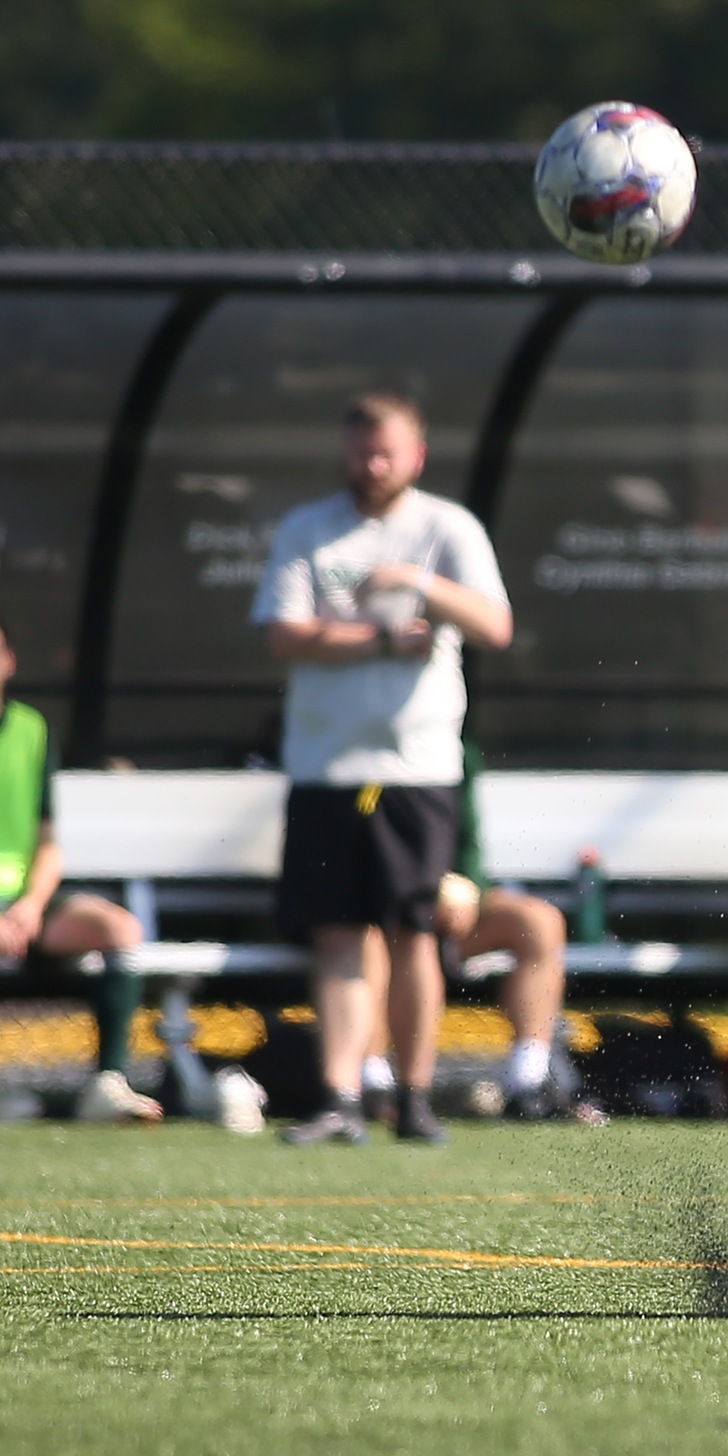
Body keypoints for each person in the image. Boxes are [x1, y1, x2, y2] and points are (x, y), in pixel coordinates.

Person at [252, 391, 512, 1146]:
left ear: (417, 454)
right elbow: (283, 635)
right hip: (325, 764)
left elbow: (495, 624)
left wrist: (419, 581)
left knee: (414, 933)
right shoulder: (309, 527)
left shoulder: (447, 528)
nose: (372, 464)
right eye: (361, 450)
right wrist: (375, 640)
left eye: (387, 451)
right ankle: (340, 1097)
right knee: (337, 935)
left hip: (418, 769)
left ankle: (417, 1094)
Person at [359, 739, 573, 1122]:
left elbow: (467, 839)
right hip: (380, 908)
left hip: (441, 907)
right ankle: (372, 1081)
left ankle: (527, 1079)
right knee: (367, 933)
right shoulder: (357, 757)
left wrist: (466, 891)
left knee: (539, 923)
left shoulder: (456, 753)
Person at [0, 618, 154, 1122]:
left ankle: (108, 1083)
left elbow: (48, 843)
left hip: (25, 905)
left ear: (10, 660)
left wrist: (29, 905)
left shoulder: (31, 727)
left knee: (120, 927)